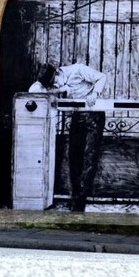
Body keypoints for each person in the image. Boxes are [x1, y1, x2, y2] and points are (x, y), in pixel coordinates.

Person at [30, 63, 107, 212]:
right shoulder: (56, 83)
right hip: (77, 115)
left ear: (59, 72)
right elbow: (34, 90)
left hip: (94, 115)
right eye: (52, 84)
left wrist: (95, 94)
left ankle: (80, 201)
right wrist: (55, 89)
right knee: (74, 156)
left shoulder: (78, 69)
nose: (55, 85)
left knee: (89, 156)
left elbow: (102, 77)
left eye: (54, 81)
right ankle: (75, 195)